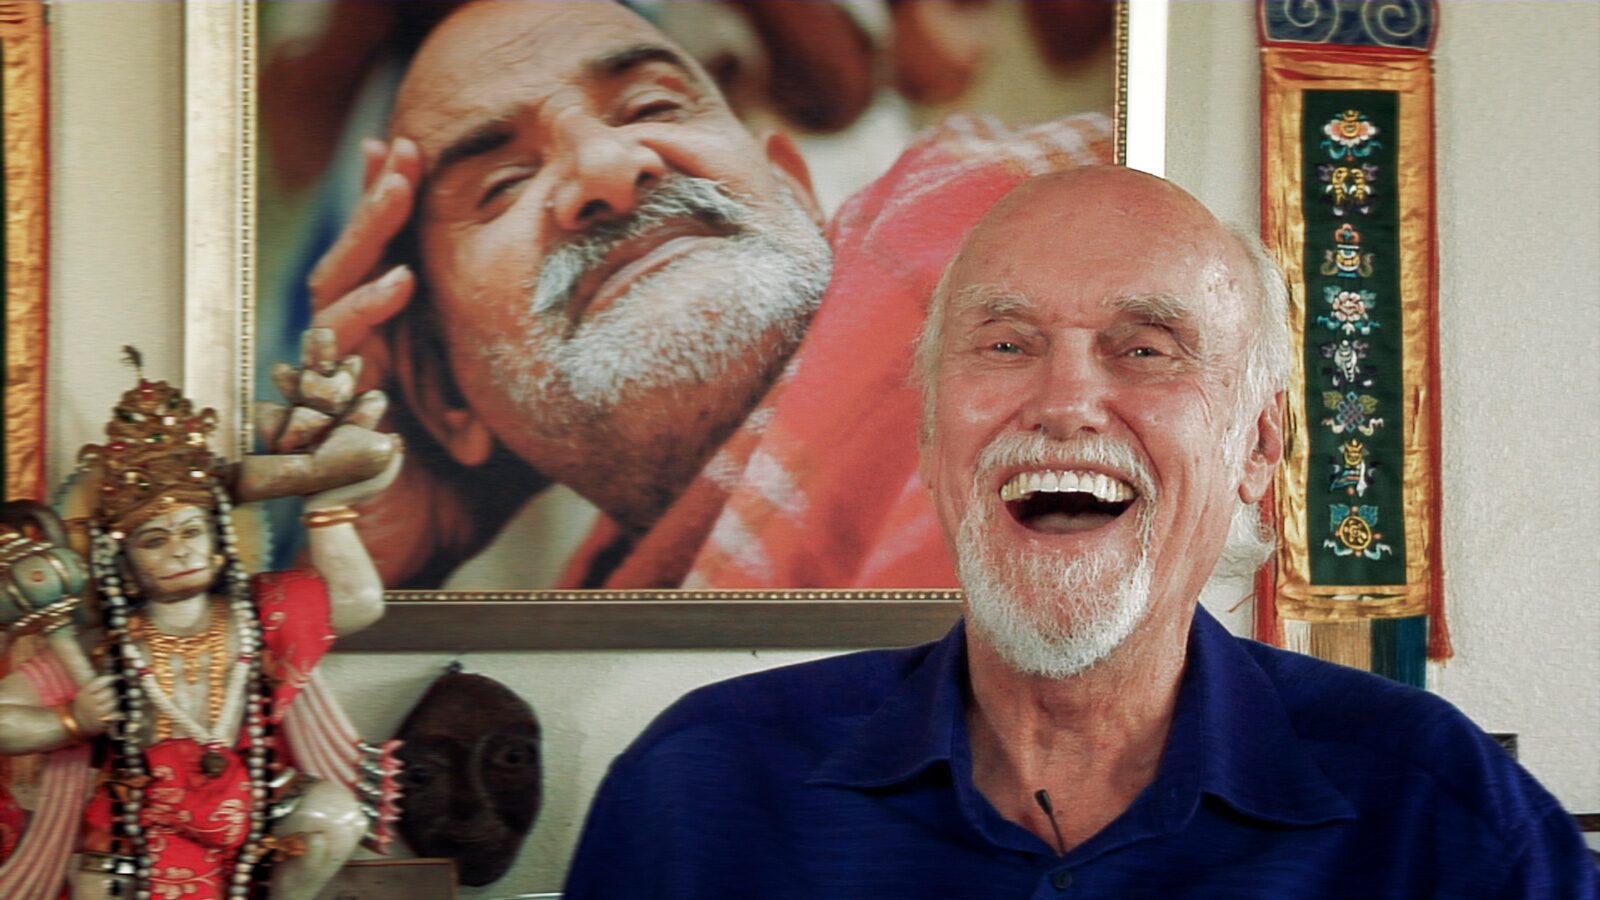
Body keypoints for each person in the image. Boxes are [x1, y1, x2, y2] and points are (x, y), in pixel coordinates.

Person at [562, 168, 1597, 897]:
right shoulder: (698, 793)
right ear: (930, 432)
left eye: (1146, 350)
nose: (1065, 400)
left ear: (1256, 446)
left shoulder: (1444, 816)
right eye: (1005, 343)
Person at [307, 0, 1113, 588]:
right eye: (503, 184)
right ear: (445, 394)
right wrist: (381, 608)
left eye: (653, 106)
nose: (608, 170)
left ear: (800, 198)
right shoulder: (560, 693)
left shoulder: (1055, 208)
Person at [0, 341, 404, 900]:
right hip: (141, 821)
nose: (179, 551)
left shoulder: (258, 614)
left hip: (254, 795)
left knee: (336, 818)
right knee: (98, 888)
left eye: (191, 532)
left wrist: (324, 506)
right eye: (154, 540)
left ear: (218, 542)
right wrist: (69, 721)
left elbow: (360, 601)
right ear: (126, 562)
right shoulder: (104, 650)